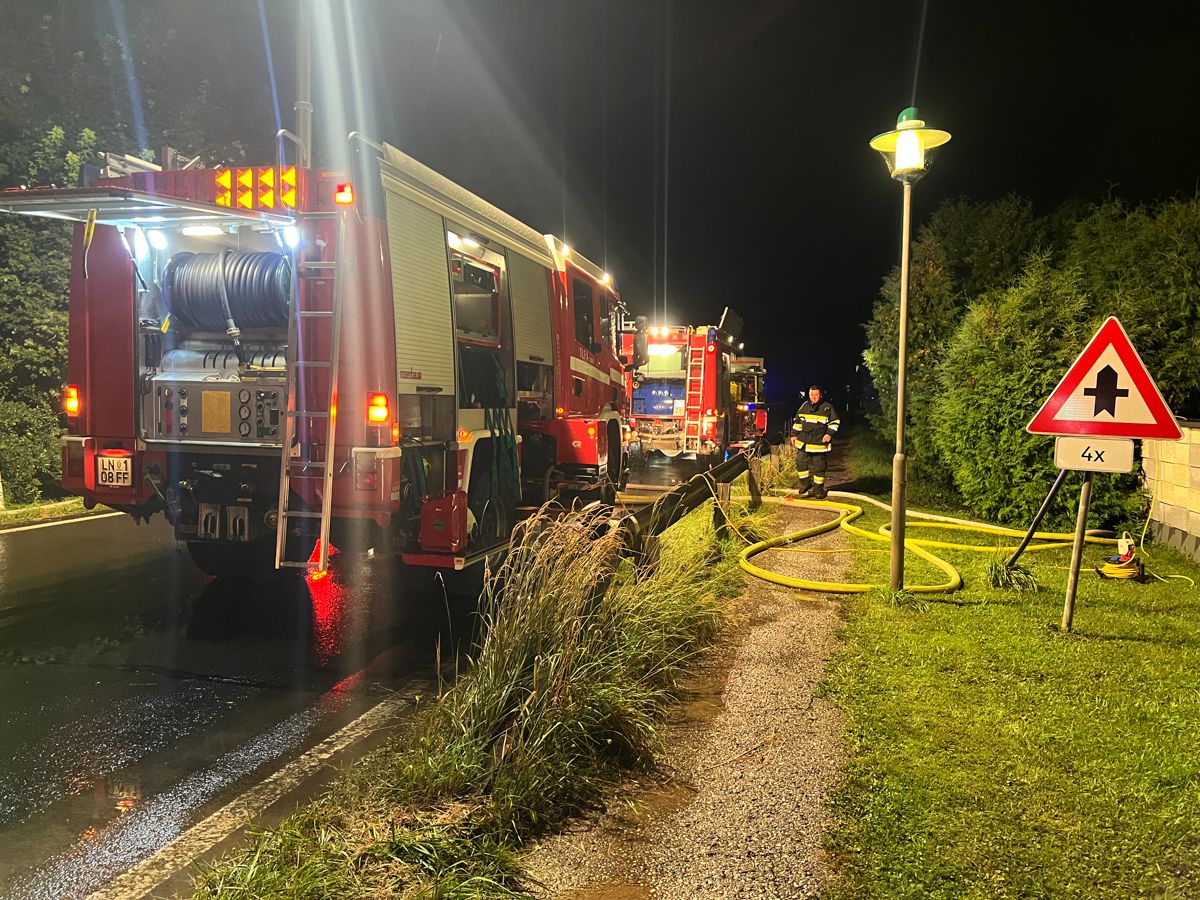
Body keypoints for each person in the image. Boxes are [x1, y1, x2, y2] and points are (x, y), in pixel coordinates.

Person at [791, 384, 840, 499]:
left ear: (820, 395)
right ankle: (805, 484)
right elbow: (798, 422)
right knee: (800, 463)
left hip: (819, 444)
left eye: (816, 395)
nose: (814, 397)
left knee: (819, 467)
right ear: (809, 395)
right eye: (812, 395)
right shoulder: (804, 406)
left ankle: (818, 490)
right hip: (804, 443)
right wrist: (793, 435)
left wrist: (829, 434)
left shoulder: (827, 407)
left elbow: (834, 422)